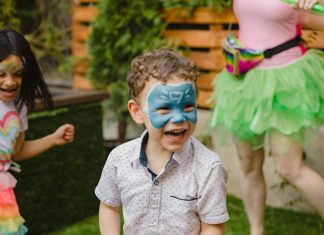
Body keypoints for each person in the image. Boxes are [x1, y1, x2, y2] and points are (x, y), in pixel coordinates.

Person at [210, 0, 324, 234]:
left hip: (285, 85)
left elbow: (316, 19)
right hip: (242, 83)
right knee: (249, 165)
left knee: (290, 168)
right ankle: (256, 231)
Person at [95, 48, 229, 235]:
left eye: (188, 106)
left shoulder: (208, 168)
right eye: (165, 108)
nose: (179, 117)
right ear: (137, 112)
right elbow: (109, 206)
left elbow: (212, 227)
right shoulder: (119, 160)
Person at [0, 29, 75, 234]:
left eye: (18, 74)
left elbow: (17, 151)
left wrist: (53, 139)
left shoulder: (19, 107)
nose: (10, 81)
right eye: (1, 73)